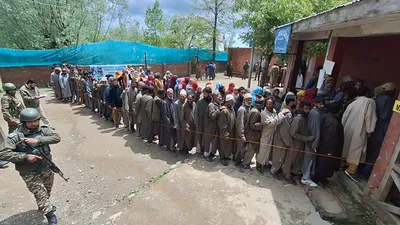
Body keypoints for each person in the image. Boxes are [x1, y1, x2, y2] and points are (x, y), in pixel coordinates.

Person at [0, 108, 61, 225]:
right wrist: (25, 156)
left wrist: (37, 140)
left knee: (47, 189)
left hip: (46, 166)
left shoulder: (43, 130)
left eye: (36, 120)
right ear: (24, 122)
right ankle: (50, 215)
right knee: (40, 192)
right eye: (30, 122)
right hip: (29, 171)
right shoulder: (16, 136)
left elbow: (56, 137)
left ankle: (44, 204)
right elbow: (3, 153)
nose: (34, 123)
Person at [361, 83, 396, 179]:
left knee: (368, 149)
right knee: (375, 152)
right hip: (380, 129)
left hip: (370, 127)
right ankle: (365, 172)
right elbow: (386, 117)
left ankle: (361, 168)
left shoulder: (376, 97)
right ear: (392, 91)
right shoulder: (390, 100)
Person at [342, 87, 377, 181]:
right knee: (357, 150)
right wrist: (370, 130)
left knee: (346, 147)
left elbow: (345, 116)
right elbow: (370, 117)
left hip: (348, 128)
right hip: (360, 129)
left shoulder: (354, 102)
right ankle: (351, 170)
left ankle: (342, 165)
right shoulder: (370, 102)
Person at [282, 101, 314, 184]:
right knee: (290, 160)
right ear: (301, 109)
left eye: (309, 109)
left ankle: (293, 174)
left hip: (300, 144)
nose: (308, 111)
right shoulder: (298, 119)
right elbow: (293, 133)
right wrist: (307, 138)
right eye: (306, 109)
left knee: (296, 161)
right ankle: (287, 175)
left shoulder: (304, 118)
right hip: (294, 144)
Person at [257, 97, 289, 175]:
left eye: (270, 104)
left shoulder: (274, 111)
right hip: (266, 134)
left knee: (269, 150)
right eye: (267, 104)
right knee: (263, 150)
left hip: (272, 134)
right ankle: (259, 165)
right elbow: (272, 123)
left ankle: (265, 164)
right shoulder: (263, 113)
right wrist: (282, 114)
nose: (268, 105)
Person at [314, 102, 344, 183]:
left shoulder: (326, 117)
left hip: (323, 145)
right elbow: (331, 137)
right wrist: (330, 151)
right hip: (327, 148)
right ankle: (319, 179)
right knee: (324, 165)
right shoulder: (333, 122)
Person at [270, 93, 296, 179]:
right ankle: (274, 171)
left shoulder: (285, 110)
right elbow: (285, 130)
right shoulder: (287, 114)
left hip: (280, 138)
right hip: (281, 139)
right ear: (291, 102)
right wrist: (287, 142)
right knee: (279, 157)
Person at [302, 96, 325, 187]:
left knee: (308, 159)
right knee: (309, 160)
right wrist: (315, 144)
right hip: (312, 141)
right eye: (320, 104)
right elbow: (316, 131)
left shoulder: (316, 112)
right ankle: (305, 178)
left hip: (311, 141)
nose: (322, 106)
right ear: (315, 104)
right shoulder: (315, 114)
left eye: (323, 104)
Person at [241, 97, 265, 171]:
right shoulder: (255, 112)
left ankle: (247, 162)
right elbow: (252, 125)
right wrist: (262, 124)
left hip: (253, 134)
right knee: (250, 150)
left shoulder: (256, 110)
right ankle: (245, 164)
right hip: (252, 135)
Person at [218, 94, 236, 166]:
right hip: (225, 132)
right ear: (228, 102)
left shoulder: (231, 109)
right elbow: (222, 124)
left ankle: (226, 156)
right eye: (232, 101)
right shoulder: (224, 111)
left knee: (228, 145)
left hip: (230, 131)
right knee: (223, 145)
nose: (233, 102)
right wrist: (225, 133)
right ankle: (222, 158)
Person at [235, 93, 252, 166]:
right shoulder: (242, 109)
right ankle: (237, 162)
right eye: (248, 100)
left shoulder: (249, 108)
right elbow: (240, 123)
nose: (249, 101)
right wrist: (241, 135)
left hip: (247, 132)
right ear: (244, 100)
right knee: (240, 148)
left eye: (251, 100)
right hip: (241, 133)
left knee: (244, 148)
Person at [203, 91, 222, 161]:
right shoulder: (211, 105)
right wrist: (219, 110)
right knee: (209, 142)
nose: (219, 97)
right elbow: (212, 116)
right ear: (213, 97)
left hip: (216, 127)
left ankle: (212, 154)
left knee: (214, 141)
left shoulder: (218, 104)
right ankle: (206, 155)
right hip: (210, 127)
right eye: (217, 96)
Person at [194, 87, 212, 155]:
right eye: (203, 94)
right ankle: (199, 151)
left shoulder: (211, 102)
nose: (204, 95)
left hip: (209, 124)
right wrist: (196, 122)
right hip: (201, 123)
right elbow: (196, 112)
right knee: (200, 137)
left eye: (205, 94)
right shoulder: (200, 101)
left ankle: (206, 150)